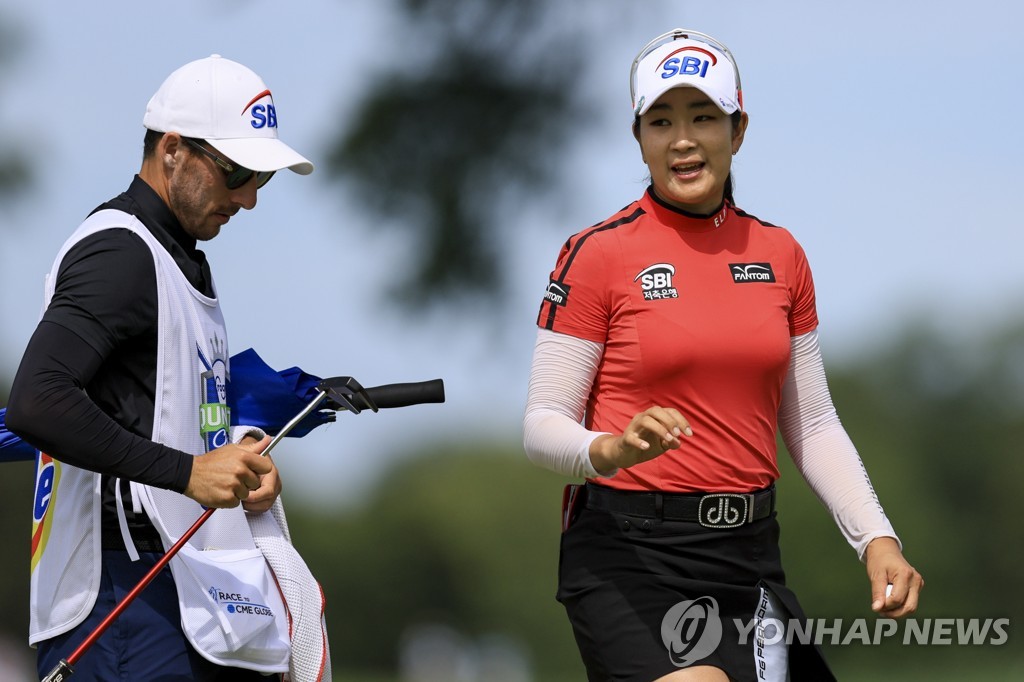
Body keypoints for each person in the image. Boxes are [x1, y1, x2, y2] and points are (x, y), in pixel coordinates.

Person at [523, 29, 923, 682]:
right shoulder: (596, 253)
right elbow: (542, 423)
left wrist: (877, 540)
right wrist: (613, 449)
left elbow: (812, 423)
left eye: (703, 116)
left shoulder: (781, 254)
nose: (683, 138)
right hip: (631, 555)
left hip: (749, 556)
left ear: (737, 130)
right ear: (640, 138)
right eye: (661, 120)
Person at [6, 55, 329, 681]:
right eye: (236, 171)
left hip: (176, 592)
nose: (249, 198)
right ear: (173, 150)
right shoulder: (121, 251)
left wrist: (232, 462)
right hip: (116, 597)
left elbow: (159, 416)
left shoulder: (179, 259)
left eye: (262, 176)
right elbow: (38, 401)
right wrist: (188, 472)